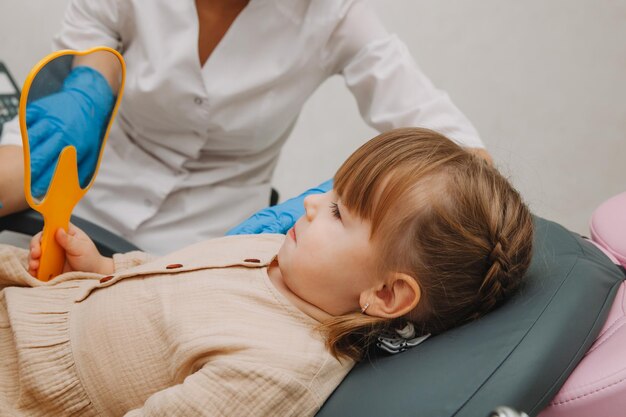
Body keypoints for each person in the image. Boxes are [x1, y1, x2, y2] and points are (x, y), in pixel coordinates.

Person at [0, 127, 532, 416]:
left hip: (26, 391)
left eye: (341, 211)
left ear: (387, 293)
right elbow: (171, 283)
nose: (311, 205)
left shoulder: (276, 373)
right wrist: (100, 268)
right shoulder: (276, 252)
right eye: (330, 192)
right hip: (34, 305)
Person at [0, 0, 491, 254]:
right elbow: (93, 56)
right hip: (80, 196)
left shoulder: (335, 14)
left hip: (211, 243)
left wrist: (345, 200)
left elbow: (470, 160)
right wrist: (81, 97)